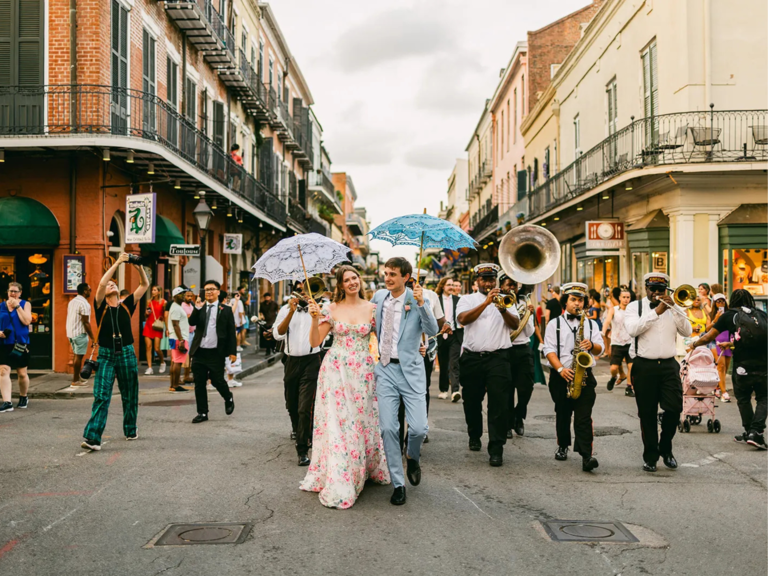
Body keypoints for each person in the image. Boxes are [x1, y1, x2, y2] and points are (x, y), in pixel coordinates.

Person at [302, 265, 390, 508]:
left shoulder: (373, 309)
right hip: (335, 371)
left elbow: (387, 338)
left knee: (361, 420)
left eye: (355, 278)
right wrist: (313, 319)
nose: (352, 282)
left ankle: (364, 468)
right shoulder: (330, 309)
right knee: (340, 423)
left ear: (359, 280)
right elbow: (315, 341)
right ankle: (342, 476)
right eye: (347, 280)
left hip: (362, 371)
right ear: (340, 285)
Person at [370, 257, 438, 505]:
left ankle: (413, 456)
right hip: (386, 369)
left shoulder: (418, 298)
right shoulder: (379, 298)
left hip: (411, 371)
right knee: (389, 428)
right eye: (386, 273)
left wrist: (422, 304)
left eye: (393, 274)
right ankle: (398, 483)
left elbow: (431, 330)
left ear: (406, 277)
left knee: (419, 428)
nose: (387, 278)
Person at [625, 272, 692, 472]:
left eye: (660, 290)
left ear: (666, 290)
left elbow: (687, 331)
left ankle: (665, 447)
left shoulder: (674, 307)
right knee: (647, 414)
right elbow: (632, 330)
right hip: (644, 366)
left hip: (669, 365)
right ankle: (651, 456)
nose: (656, 293)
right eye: (652, 289)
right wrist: (657, 312)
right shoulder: (634, 307)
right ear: (646, 289)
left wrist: (675, 308)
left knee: (674, 409)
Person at [80, 254, 149, 450]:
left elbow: (144, 285)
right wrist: (118, 262)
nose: (110, 285)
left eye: (113, 284)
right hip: (106, 355)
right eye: (109, 284)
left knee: (130, 394)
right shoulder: (100, 306)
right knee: (101, 395)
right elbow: (101, 285)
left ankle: (130, 428)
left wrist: (138, 266)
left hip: (127, 353)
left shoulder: (127, 305)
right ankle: (93, 437)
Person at [456, 264, 519, 467]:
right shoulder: (467, 300)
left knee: (499, 404)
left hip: (498, 358)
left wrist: (501, 308)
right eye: (484, 279)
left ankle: (496, 449)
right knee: (471, 402)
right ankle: (474, 434)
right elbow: (463, 319)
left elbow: (515, 325)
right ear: (477, 281)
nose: (488, 283)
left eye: (492, 279)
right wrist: (486, 303)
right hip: (472, 358)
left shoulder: (506, 299)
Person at [691, 289, 767, 449]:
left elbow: (709, 336)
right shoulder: (761, 314)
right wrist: (731, 344)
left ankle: (750, 431)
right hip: (763, 363)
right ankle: (756, 432)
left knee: (744, 397)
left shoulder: (730, 315)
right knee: (764, 398)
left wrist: (694, 344)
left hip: (741, 365)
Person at [543, 282, 603, 472]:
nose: (578, 304)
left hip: (585, 375)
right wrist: (561, 369)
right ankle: (563, 445)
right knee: (563, 413)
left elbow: (601, 348)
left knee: (583, 417)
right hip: (561, 375)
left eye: (581, 300)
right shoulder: (555, 324)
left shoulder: (591, 324)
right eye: (573, 300)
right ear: (565, 302)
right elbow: (549, 349)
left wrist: (591, 345)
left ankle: (587, 456)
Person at [273, 282, 323, 466]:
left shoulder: (318, 309)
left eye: (306, 289)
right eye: (299, 289)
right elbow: (278, 334)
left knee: (305, 407)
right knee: (291, 403)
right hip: (291, 361)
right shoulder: (286, 309)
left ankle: (302, 449)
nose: (303, 293)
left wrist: (316, 313)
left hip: (312, 360)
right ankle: (299, 430)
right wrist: (291, 311)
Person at [188, 280, 237, 423]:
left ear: (218, 292)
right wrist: (196, 308)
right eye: (206, 289)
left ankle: (228, 397)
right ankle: (202, 412)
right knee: (199, 383)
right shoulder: (200, 308)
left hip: (216, 352)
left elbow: (230, 332)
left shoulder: (225, 310)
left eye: (212, 289)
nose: (209, 292)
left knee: (217, 380)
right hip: (199, 351)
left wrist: (232, 352)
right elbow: (192, 323)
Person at [499, 275, 535, 438]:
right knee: (506, 389)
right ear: (502, 286)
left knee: (526, 388)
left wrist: (527, 316)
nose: (512, 288)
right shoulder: (498, 303)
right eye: (509, 284)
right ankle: (506, 424)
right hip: (505, 349)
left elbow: (529, 332)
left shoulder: (523, 303)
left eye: (514, 284)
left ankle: (518, 416)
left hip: (523, 349)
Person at [0, 282, 34, 412]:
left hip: (20, 343)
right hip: (4, 343)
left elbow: (27, 321)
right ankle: (7, 402)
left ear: (20, 293)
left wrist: (18, 306)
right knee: (3, 370)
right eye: (10, 291)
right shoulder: (1, 306)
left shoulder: (25, 304)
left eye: (15, 291)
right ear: (7, 292)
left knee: (21, 373)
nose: (12, 294)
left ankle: (23, 396)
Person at [435, 277, 463, 402]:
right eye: (448, 285)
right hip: (440, 335)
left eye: (452, 284)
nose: (451, 287)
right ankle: (443, 389)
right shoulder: (437, 300)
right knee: (443, 362)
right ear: (442, 286)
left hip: (454, 335)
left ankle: (455, 390)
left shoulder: (458, 300)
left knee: (454, 363)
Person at [603, 288, 634, 396]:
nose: (626, 299)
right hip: (617, 341)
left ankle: (629, 387)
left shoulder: (632, 310)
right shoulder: (614, 309)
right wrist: (603, 332)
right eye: (624, 297)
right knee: (613, 368)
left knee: (631, 366)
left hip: (630, 341)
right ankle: (614, 377)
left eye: (628, 297)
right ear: (620, 298)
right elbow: (607, 321)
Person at [66, 282, 95, 388]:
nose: (90, 292)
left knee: (75, 356)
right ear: (85, 291)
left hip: (71, 333)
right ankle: (75, 380)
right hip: (80, 333)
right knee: (79, 357)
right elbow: (86, 322)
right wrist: (93, 337)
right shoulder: (84, 304)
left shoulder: (72, 301)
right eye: (89, 290)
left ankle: (77, 378)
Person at [167, 287, 191, 393]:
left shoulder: (176, 307)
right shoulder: (176, 308)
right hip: (178, 338)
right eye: (181, 294)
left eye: (184, 294)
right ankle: (176, 385)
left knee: (174, 361)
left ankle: (173, 385)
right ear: (175, 296)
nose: (183, 296)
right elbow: (175, 324)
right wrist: (181, 339)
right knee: (178, 362)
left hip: (176, 337)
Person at [710, 293, 732, 402]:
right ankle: (724, 392)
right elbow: (707, 328)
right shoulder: (711, 314)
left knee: (726, 366)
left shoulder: (728, 313)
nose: (721, 303)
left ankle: (718, 387)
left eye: (722, 301)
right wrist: (715, 319)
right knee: (721, 365)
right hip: (715, 341)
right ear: (714, 303)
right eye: (718, 301)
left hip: (727, 340)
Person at [142, 285, 167, 375]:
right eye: (152, 290)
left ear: (159, 292)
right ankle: (149, 367)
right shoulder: (149, 301)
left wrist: (163, 318)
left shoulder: (164, 302)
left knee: (157, 348)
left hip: (158, 326)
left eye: (155, 290)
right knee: (148, 347)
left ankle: (162, 362)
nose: (153, 291)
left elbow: (166, 315)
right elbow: (146, 314)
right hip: (149, 325)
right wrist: (146, 313)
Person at [181, 290, 197, 384]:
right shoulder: (182, 306)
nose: (190, 298)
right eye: (188, 296)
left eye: (191, 296)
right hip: (185, 333)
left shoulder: (192, 306)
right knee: (186, 355)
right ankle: (184, 376)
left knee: (190, 354)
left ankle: (187, 375)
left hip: (192, 332)